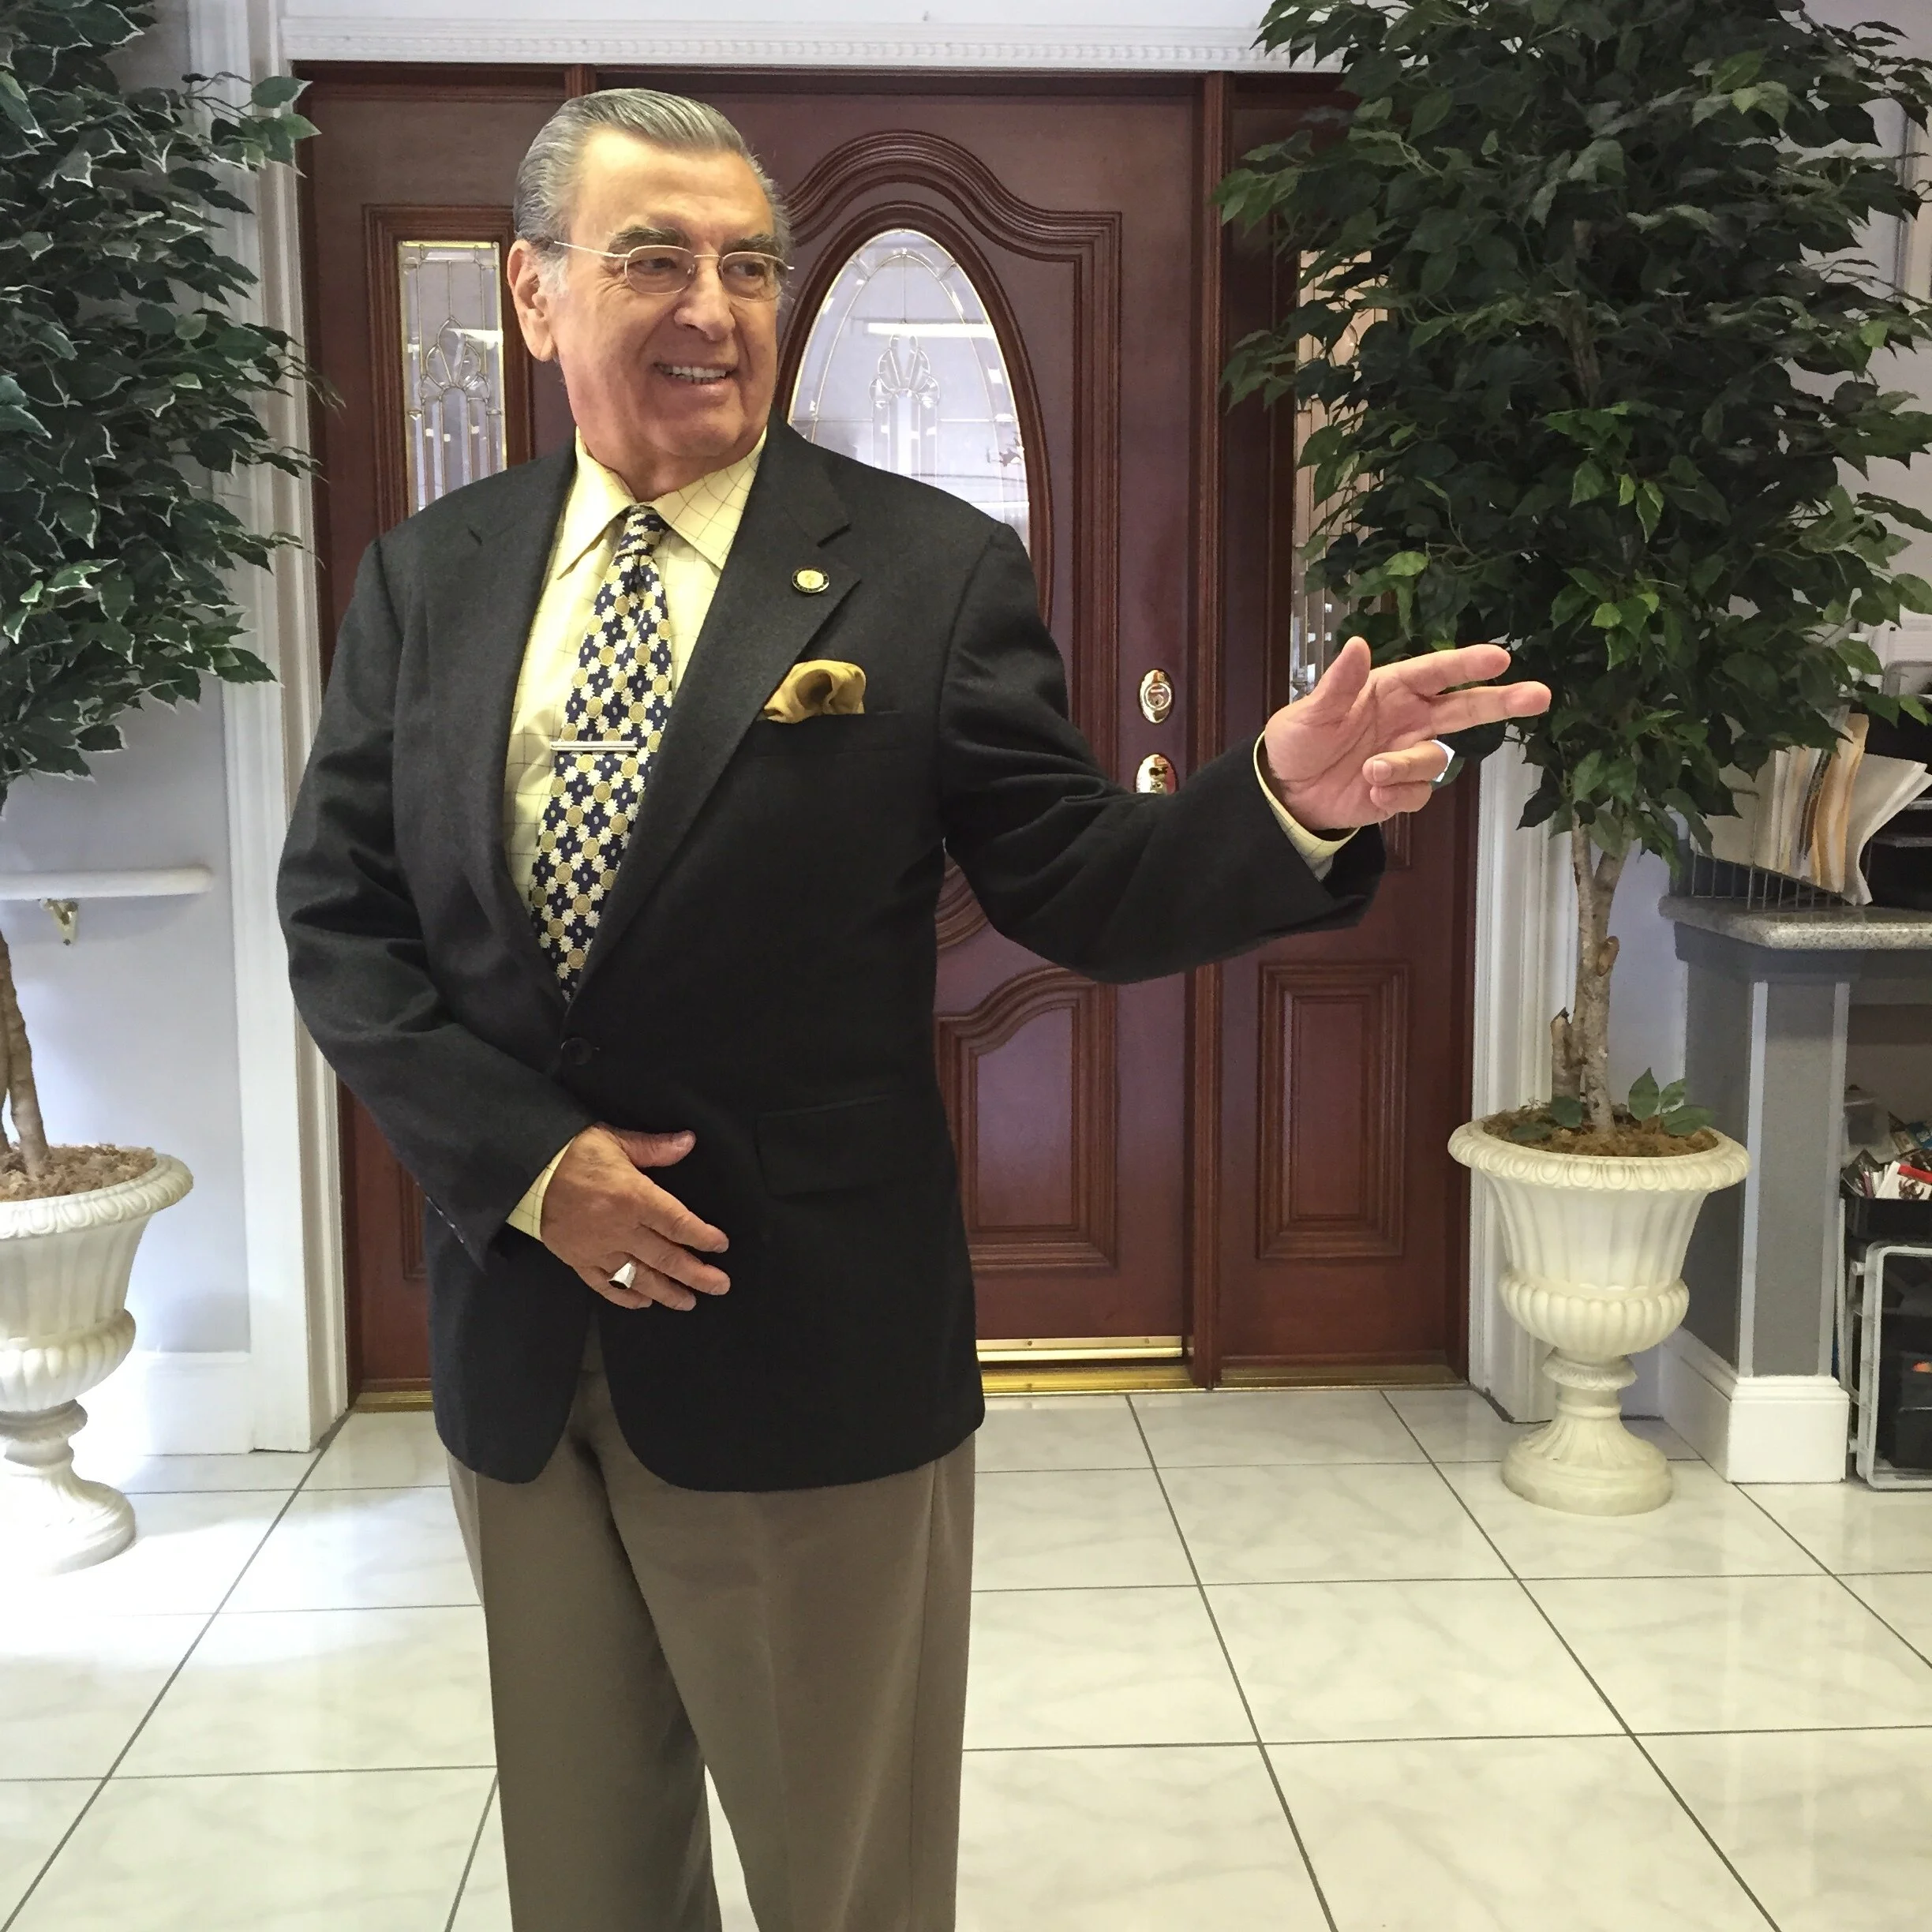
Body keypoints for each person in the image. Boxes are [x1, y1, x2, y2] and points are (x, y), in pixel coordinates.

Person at [279, 88, 1549, 1932]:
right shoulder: (432, 579)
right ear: (538, 295)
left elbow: (1078, 884)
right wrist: (530, 1168)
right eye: (654, 259)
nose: (713, 305)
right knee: (585, 1869)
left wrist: (1277, 804)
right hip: (520, 1333)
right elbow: (344, 919)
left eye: (749, 265)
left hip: (806, 1344)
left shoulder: (926, 571)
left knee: (847, 1877)